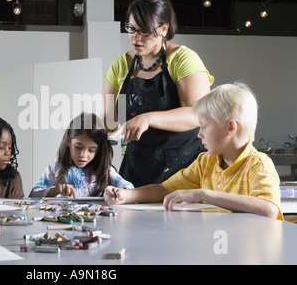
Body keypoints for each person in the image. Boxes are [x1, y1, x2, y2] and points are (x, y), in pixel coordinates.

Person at [104, 83, 282, 220]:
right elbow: (164, 190)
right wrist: (125, 195)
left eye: (204, 126)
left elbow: (269, 209)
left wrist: (204, 194)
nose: (199, 134)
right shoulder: (206, 162)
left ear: (230, 127)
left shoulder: (258, 164)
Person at [101, 0, 214, 187]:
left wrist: (147, 118)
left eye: (144, 31)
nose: (135, 38)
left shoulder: (182, 59)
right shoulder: (121, 65)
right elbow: (109, 121)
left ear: (164, 29)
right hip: (136, 170)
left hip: (183, 168)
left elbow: (197, 115)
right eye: (131, 29)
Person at [30, 112, 134, 198]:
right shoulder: (56, 166)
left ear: (99, 149)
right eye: (78, 147)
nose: (83, 155)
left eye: (91, 150)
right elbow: (34, 194)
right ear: (68, 141)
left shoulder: (105, 170)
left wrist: (118, 192)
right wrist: (55, 191)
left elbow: (128, 187)